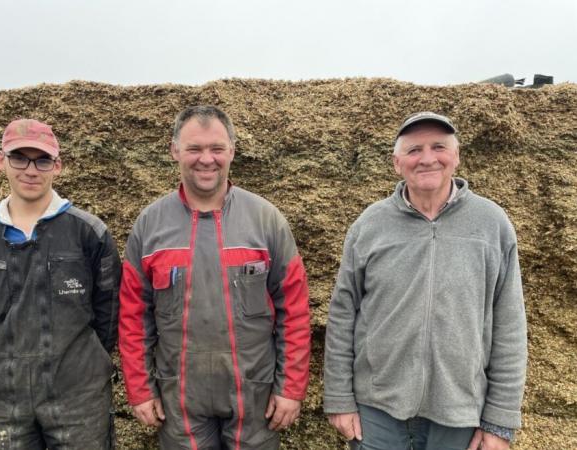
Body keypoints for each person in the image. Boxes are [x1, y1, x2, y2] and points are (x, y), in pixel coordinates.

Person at [324, 112, 527, 450]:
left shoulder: (491, 224)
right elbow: (343, 316)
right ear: (397, 162)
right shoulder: (369, 226)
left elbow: (509, 326)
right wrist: (339, 399)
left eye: (439, 147)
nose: (428, 158)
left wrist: (500, 421)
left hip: (460, 413)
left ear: (457, 156)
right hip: (377, 412)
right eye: (415, 149)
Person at [119, 105, 311, 450]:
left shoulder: (266, 221)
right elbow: (134, 318)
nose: (206, 159)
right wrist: (140, 389)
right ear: (174, 150)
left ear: (232, 151)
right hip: (179, 402)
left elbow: (294, 312)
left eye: (216, 149)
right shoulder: (149, 226)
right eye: (194, 148)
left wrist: (291, 388)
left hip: (255, 398)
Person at [0, 118, 120, 449]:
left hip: (80, 400)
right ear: (1, 160)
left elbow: (109, 312)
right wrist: (7, 356)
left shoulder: (88, 233)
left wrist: (81, 364)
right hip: (3, 400)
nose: (31, 170)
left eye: (42, 159)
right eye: (20, 158)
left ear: (57, 166)